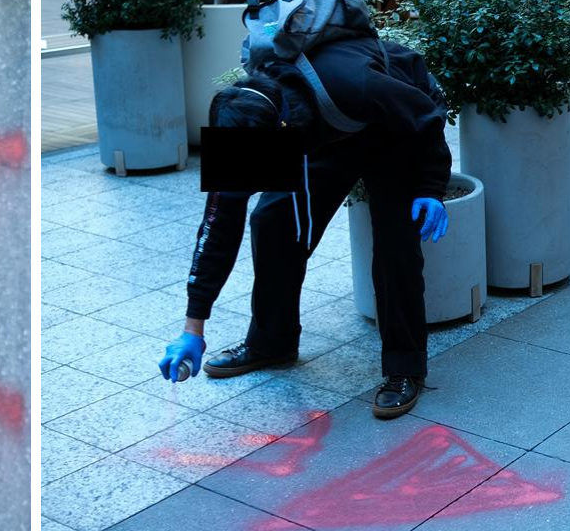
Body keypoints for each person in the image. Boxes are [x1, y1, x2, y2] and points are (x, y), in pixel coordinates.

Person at [158, 35, 451, 419]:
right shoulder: (245, 116)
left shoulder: (354, 81)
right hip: (325, 133)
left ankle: (405, 367)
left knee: (396, 244)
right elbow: (218, 226)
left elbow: (426, 114)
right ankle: (272, 342)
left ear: (280, 136)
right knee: (273, 221)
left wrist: (430, 187)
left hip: (392, 132)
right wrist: (192, 326)